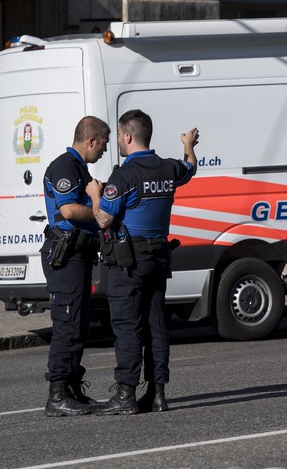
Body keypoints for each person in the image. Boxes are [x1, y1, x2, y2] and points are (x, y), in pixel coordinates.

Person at [88, 109, 198, 415]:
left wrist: (96, 195)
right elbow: (190, 167)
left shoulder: (124, 175)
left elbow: (104, 219)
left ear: (127, 136)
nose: (119, 144)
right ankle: (157, 393)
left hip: (129, 262)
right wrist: (189, 144)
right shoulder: (167, 168)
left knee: (127, 327)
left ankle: (125, 394)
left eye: (120, 137)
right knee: (156, 326)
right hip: (158, 259)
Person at [40, 115, 111, 417]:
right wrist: (97, 208)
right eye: (103, 145)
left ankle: (70, 389)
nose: (104, 151)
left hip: (78, 254)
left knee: (79, 324)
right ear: (91, 140)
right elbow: (68, 209)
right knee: (67, 325)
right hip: (64, 256)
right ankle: (57, 395)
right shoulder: (64, 167)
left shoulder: (79, 168)